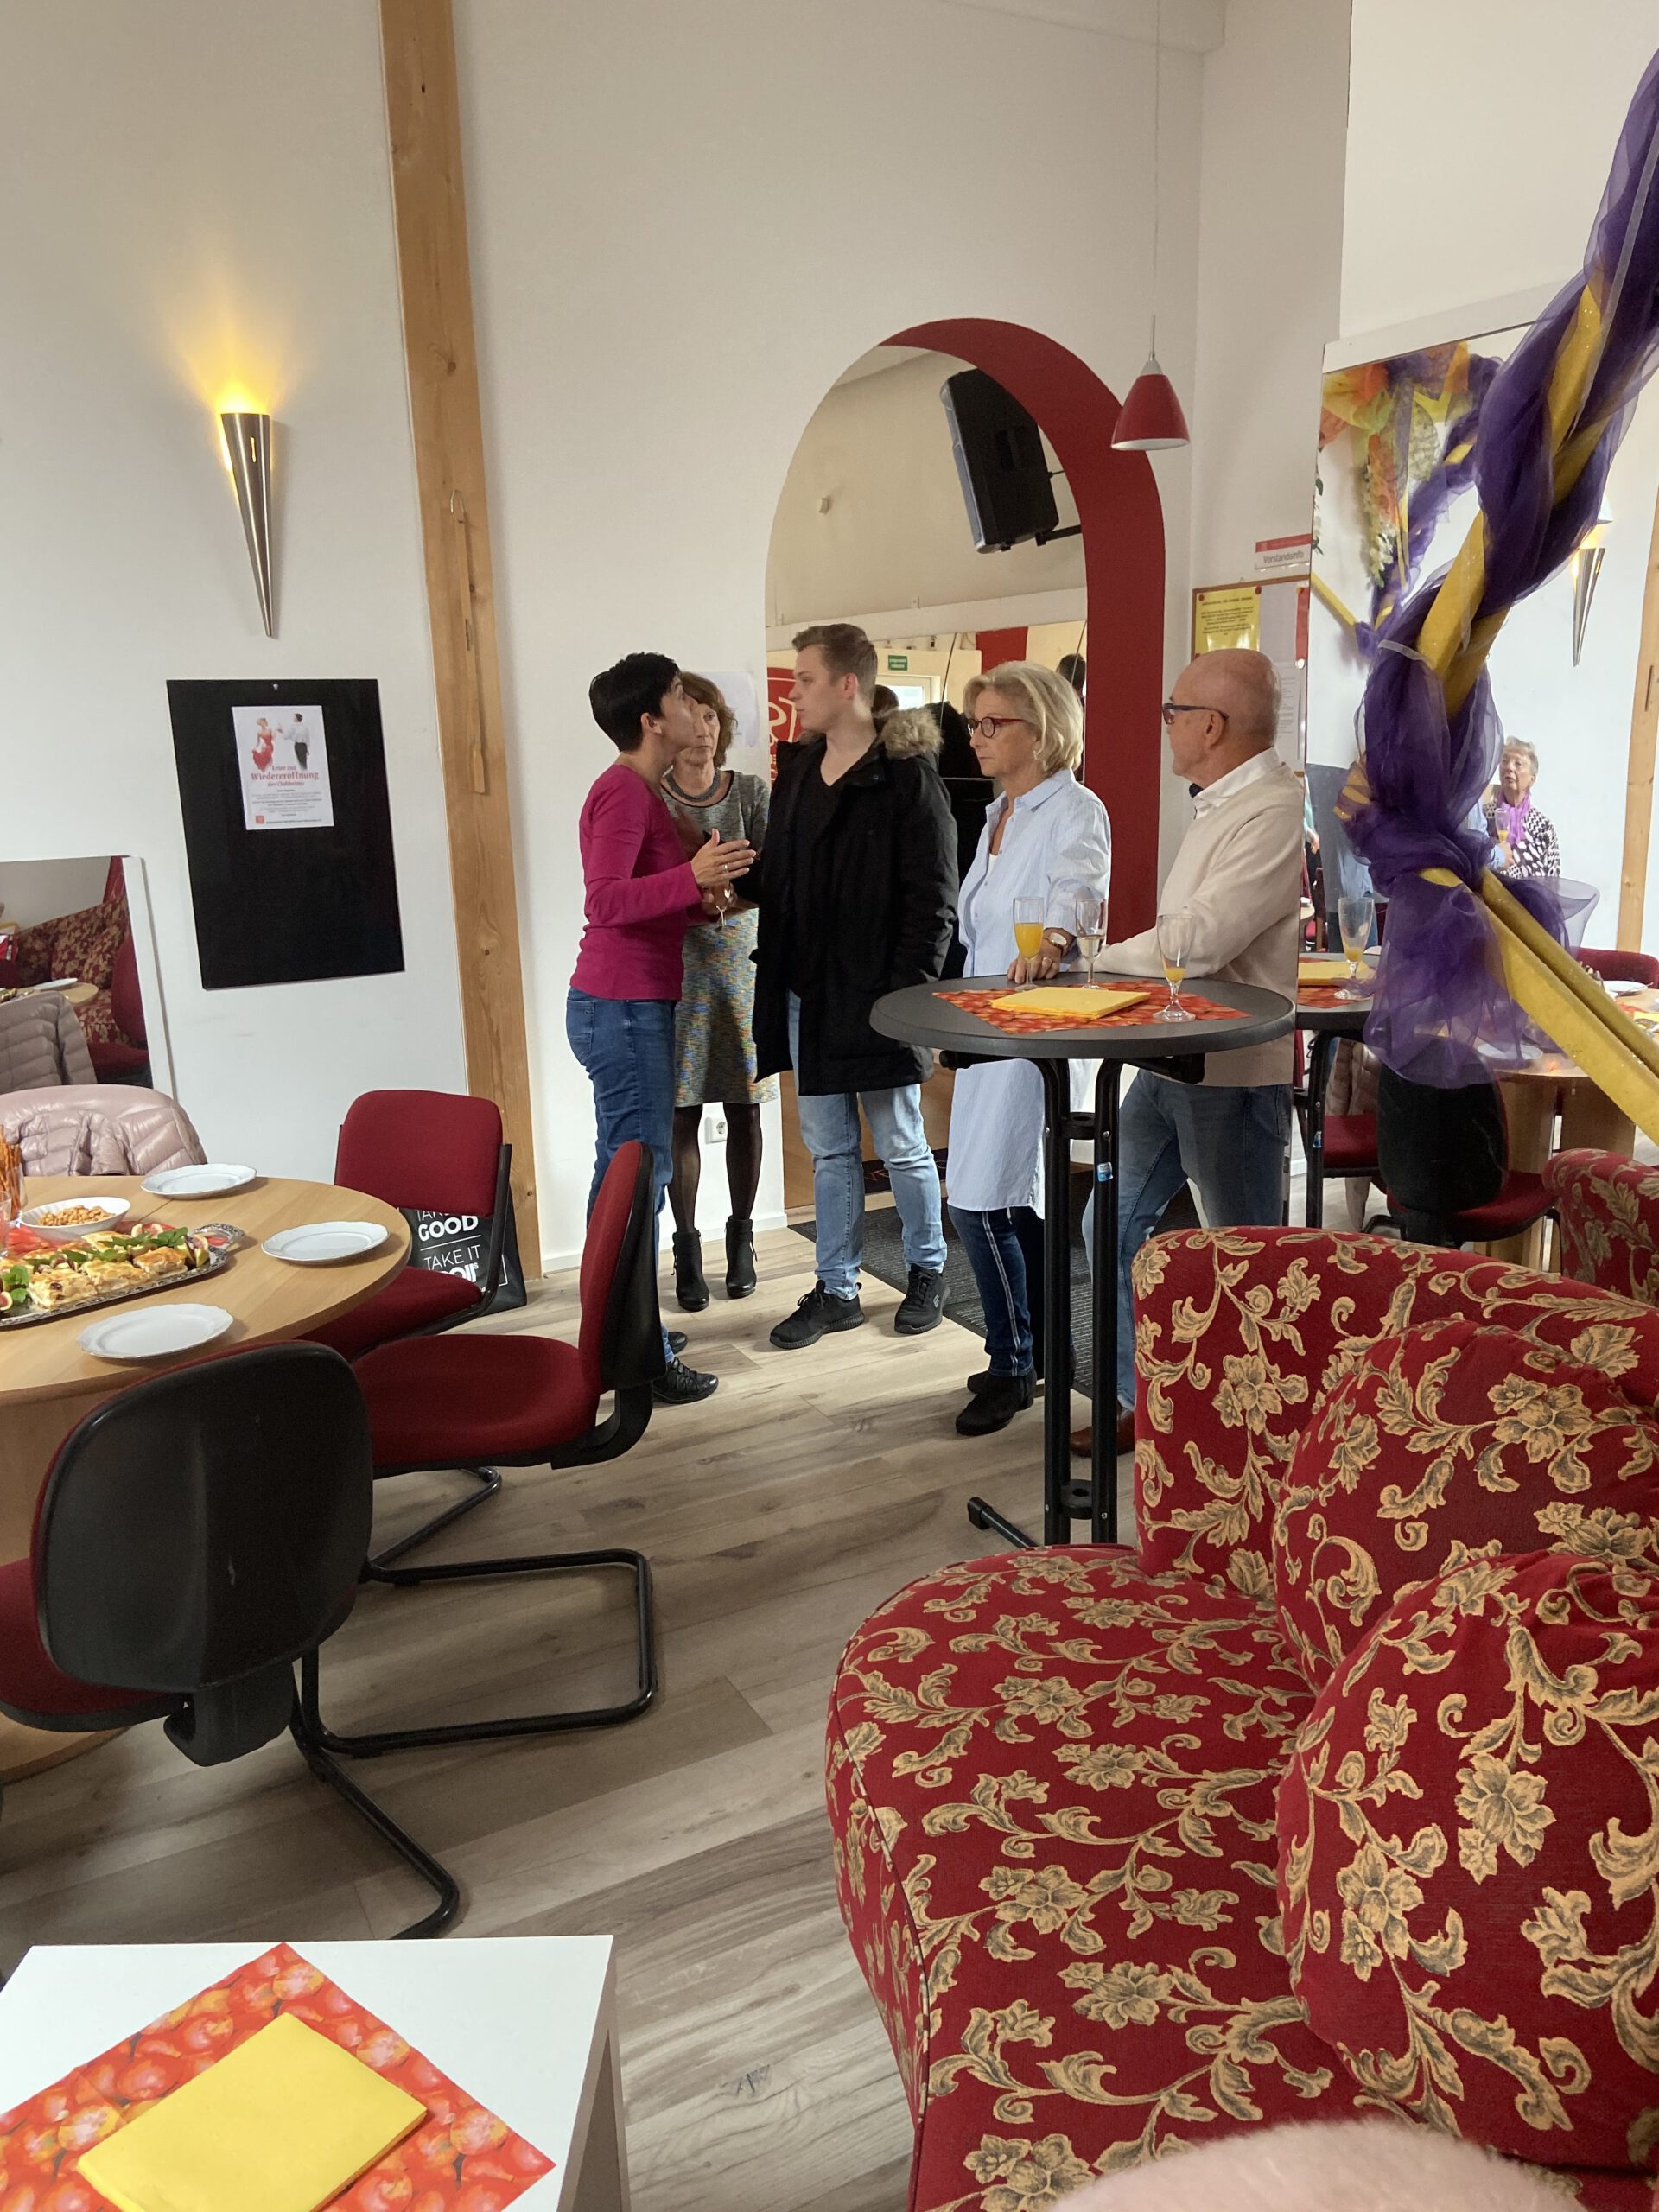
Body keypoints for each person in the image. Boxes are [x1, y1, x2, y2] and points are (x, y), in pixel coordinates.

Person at [1072, 647, 1302, 1457]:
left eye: (1173, 712)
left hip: (1233, 1073)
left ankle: (1265, 1438)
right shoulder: (1223, 805)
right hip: (1172, 1061)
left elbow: (1198, 942)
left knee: (1251, 1267)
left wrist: (1094, 960)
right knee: (1109, 1227)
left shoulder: (1273, 810)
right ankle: (1145, 1406)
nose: (1164, 725)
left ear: (1211, 726)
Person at [753, 621, 957, 1349]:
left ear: (847, 685)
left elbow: (933, 904)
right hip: (806, 992)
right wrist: (729, 883)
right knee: (831, 1147)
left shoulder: (907, 777)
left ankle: (928, 1269)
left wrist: (905, 1000)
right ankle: (837, 1287)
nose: (794, 694)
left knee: (900, 1139)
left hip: (879, 1000)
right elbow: (782, 876)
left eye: (805, 679)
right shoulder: (801, 769)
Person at [568, 652, 754, 1404]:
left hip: (626, 1003)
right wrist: (693, 879)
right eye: (679, 696)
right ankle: (632, 1352)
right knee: (639, 1177)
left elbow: (647, 900)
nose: (693, 709)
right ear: (651, 720)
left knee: (626, 1176)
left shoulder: (637, 792)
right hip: (622, 1007)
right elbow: (605, 901)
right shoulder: (623, 792)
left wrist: (701, 900)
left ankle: (620, 1330)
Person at [946, 662, 1110, 1436]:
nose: (976, 737)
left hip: (1035, 1027)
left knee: (978, 1198)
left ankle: (1014, 1363)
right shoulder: (998, 814)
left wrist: (1053, 941)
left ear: (1041, 732)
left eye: (992, 724)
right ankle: (1041, 1351)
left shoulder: (1075, 808)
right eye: (973, 723)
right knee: (1011, 1199)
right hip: (989, 1025)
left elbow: (1081, 886)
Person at [662, 672, 773, 1309]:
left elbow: (776, 875)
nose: (704, 728)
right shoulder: (653, 797)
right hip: (677, 964)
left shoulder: (750, 791)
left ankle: (742, 1238)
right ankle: (686, 1249)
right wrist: (692, 888)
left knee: (745, 1104)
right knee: (681, 1108)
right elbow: (646, 884)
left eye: (712, 716)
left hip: (742, 961)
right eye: (693, 715)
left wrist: (730, 892)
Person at [1484, 739, 1560, 878]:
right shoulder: (1485, 816)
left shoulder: (1543, 827)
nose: (1509, 767)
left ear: (1532, 779)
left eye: (1518, 764)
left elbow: (1553, 879)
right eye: (1505, 761)